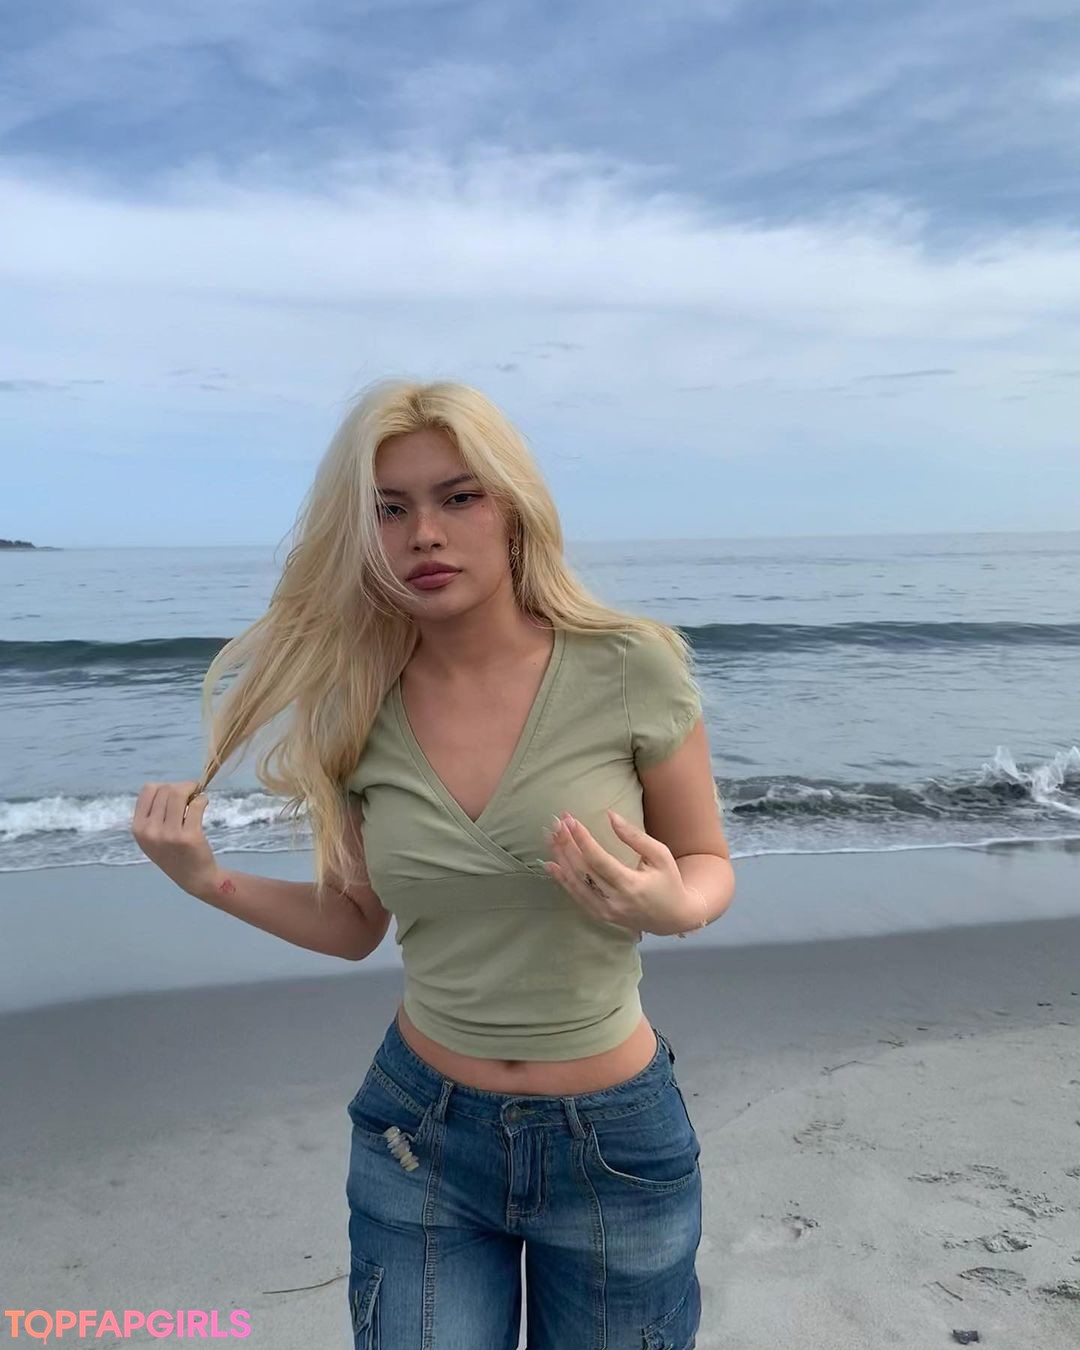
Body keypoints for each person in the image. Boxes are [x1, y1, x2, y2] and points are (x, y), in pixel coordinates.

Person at [132, 378, 734, 1349]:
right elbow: (352, 924)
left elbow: (706, 859)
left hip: (615, 1143)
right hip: (421, 1139)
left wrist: (673, 904)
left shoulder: (631, 665)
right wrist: (210, 881)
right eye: (390, 509)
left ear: (513, 509)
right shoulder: (355, 700)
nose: (424, 534)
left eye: (459, 497)